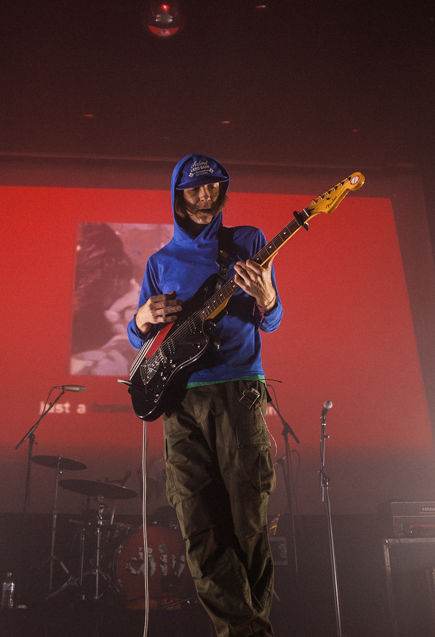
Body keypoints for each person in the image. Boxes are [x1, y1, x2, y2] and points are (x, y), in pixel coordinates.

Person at [127, 154, 282, 637]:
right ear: (178, 195)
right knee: (198, 528)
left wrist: (267, 298)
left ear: (222, 192)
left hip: (237, 389)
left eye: (213, 187)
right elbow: (137, 339)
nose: (204, 196)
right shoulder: (159, 262)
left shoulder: (248, 242)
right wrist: (143, 319)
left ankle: (248, 629)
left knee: (248, 524)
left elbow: (272, 320)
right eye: (194, 189)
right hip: (179, 401)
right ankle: (245, 632)